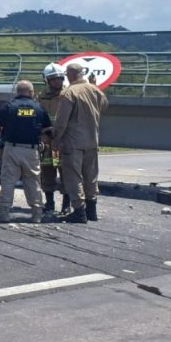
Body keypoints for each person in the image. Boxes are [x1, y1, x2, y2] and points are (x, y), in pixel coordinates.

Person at [53, 61, 109, 224]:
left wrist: (56, 138)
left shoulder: (69, 93)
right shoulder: (94, 90)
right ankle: (92, 211)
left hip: (73, 143)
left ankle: (79, 212)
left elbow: (62, 121)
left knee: (73, 177)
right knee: (91, 176)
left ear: (69, 74)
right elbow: (104, 105)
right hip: (92, 141)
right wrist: (95, 87)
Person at [0, 80, 53, 223]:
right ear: (31, 92)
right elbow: (46, 129)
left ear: (17, 92)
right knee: (33, 182)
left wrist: (3, 137)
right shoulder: (39, 108)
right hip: (31, 151)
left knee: (8, 180)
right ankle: (37, 214)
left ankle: (4, 213)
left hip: (11, 148)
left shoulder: (8, 107)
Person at [37, 63, 68, 215]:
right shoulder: (41, 97)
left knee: (66, 174)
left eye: (59, 78)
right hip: (48, 142)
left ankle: (66, 205)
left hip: (62, 142)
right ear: (47, 81)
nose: (56, 82)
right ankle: (49, 203)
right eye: (53, 79)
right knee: (47, 172)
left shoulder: (68, 95)